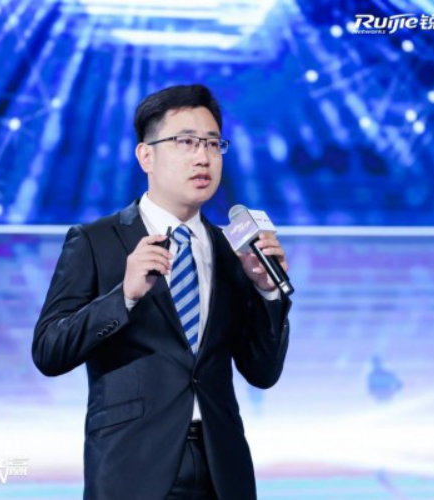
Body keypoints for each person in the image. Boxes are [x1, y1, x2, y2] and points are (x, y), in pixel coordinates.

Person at [32, 84, 292, 500]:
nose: (203, 157)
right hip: (131, 469)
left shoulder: (234, 250)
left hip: (222, 470)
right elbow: (49, 351)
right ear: (146, 156)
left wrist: (268, 295)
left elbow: (262, 372)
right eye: (186, 142)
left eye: (212, 143)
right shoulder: (96, 241)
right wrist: (124, 296)